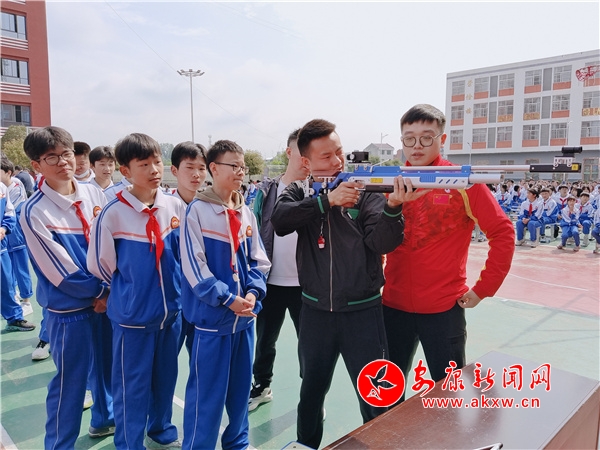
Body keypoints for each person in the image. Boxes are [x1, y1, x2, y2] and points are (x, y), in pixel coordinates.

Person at [271, 119, 413, 449]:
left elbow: (382, 243)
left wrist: (393, 207)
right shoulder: (300, 190)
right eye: (326, 156)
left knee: (376, 395)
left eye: (339, 152)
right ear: (306, 162)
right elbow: (280, 220)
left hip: (363, 314)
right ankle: (306, 444)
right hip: (315, 314)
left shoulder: (366, 190)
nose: (337, 161)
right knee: (311, 393)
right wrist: (327, 201)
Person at [382, 104, 515, 395]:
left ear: (442, 139)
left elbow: (503, 232)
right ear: (401, 140)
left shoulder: (462, 182)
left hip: (443, 310)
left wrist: (484, 288)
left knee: (448, 396)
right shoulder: (388, 182)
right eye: (409, 138)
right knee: (386, 393)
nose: (417, 146)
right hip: (392, 306)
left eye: (426, 137)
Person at [87, 133, 184, 450]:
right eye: (144, 164)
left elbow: (182, 255)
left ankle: (161, 428)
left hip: (170, 315)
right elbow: (100, 264)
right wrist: (129, 293)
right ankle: (129, 442)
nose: (154, 169)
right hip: (133, 320)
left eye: (157, 161)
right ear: (125, 171)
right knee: (132, 386)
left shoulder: (173, 205)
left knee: (165, 378)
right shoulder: (112, 213)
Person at [20, 126, 112, 448]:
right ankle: (59, 444)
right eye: (52, 157)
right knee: (72, 383)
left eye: (67, 154)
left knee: (107, 373)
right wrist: (102, 292)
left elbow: (111, 245)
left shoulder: (94, 195)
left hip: (105, 304)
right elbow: (61, 272)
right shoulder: (34, 211)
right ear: (36, 165)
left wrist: (108, 291)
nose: (63, 162)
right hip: (70, 311)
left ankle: (104, 421)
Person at [180, 140, 270, 450]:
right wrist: (227, 299)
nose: (241, 172)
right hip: (213, 323)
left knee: (240, 391)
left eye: (243, 166)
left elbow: (259, 260)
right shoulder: (197, 212)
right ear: (214, 169)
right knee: (206, 395)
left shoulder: (245, 211)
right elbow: (194, 268)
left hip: (244, 321)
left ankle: (238, 443)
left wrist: (254, 292)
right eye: (234, 166)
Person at [248, 128, 310, 411]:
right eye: (302, 152)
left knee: (308, 345)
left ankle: (311, 396)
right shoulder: (266, 191)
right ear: (289, 152)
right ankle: (262, 386)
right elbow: (253, 232)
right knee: (265, 341)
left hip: (307, 284)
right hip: (270, 281)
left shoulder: (318, 189)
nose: (307, 159)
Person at [169, 140, 208, 356]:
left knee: (201, 356)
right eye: (189, 167)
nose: (196, 174)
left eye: (201, 168)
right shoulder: (163, 209)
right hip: (173, 298)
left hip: (202, 297)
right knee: (168, 355)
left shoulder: (211, 208)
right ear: (174, 170)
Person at [0, 157, 34, 314]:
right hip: (5, 236)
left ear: (8, 173)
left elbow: (10, 210)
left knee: (20, 267)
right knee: (8, 270)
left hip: (17, 233)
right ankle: (14, 296)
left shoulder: (16, 185)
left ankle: (27, 301)